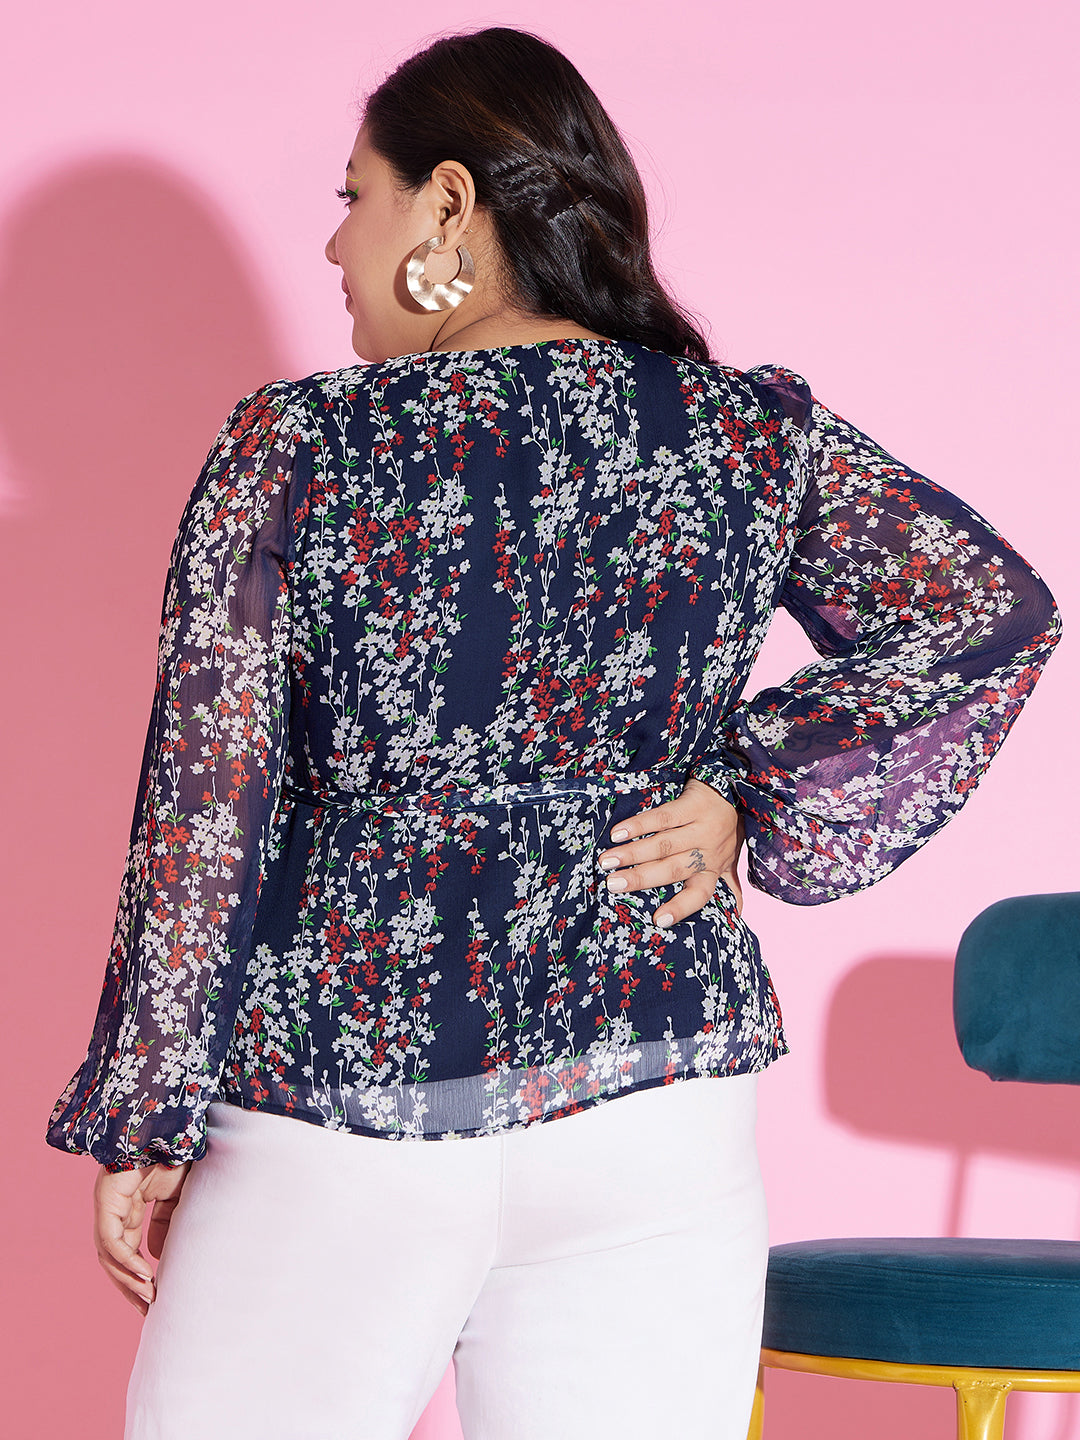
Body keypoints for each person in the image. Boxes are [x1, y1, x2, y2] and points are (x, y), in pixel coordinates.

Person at [44, 25, 1061, 1440]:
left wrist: (149, 1110)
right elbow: (990, 610)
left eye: (354, 197)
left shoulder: (296, 448)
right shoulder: (743, 436)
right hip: (651, 1103)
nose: (334, 243)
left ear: (448, 205)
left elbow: (206, 810)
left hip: (345, 1098)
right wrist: (746, 789)